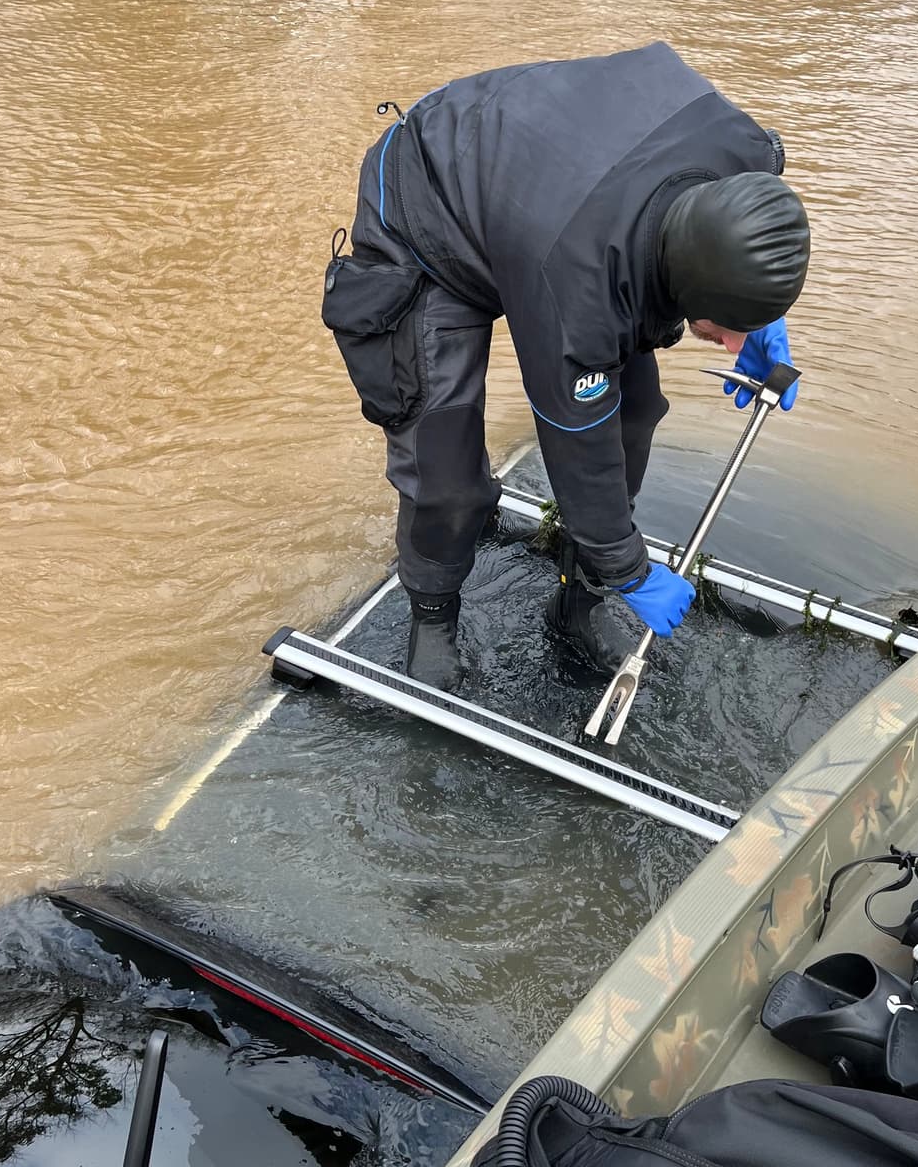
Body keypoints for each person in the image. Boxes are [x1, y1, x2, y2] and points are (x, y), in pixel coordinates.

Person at [323, 41, 810, 693]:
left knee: (634, 412)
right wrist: (631, 569)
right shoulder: (574, 286)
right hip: (432, 208)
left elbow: (755, 232)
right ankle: (432, 618)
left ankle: (577, 600)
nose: (731, 346)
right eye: (726, 331)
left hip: (559, 202)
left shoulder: (747, 157)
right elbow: (576, 444)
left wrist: (761, 315)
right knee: (444, 468)